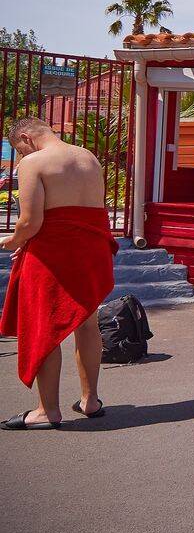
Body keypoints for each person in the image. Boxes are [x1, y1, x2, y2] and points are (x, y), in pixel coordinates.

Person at [0, 118, 116, 429]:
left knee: (45, 327)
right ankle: (90, 401)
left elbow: (30, 222)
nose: (21, 156)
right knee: (88, 323)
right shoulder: (87, 157)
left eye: (19, 149)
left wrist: (11, 241)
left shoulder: (34, 163)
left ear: (26, 137)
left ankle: (45, 411)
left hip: (54, 254)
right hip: (91, 250)